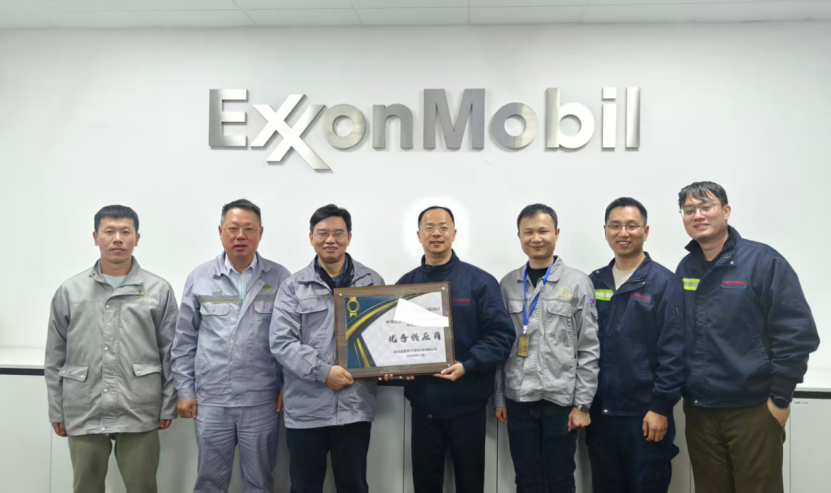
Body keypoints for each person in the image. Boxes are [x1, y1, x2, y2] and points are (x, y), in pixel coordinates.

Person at [676, 181, 819, 492]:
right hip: (700, 411)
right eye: (689, 210)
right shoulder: (686, 268)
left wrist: (779, 398)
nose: (697, 215)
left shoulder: (763, 262)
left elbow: (796, 333)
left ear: (726, 211)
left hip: (753, 409)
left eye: (706, 207)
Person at [45, 205, 178, 493]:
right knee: (86, 487)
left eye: (125, 232)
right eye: (109, 231)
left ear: (136, 238)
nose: (117, 239)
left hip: (139, 406)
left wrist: (168, 403)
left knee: (143, 487)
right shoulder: (70, 291)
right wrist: (57, 409)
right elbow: (55, 356)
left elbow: (170, 352)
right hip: (85, 405)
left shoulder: (158, 290)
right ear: (96, 237)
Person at [171, 199, 290, 492]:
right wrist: (185, 390)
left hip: (261, 399)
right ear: (220, 231)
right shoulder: (200, 277)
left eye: (249, 229)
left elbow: (290, 339)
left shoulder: (279, 277)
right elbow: (184, 339)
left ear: (260, 233)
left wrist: (287, 386)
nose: (240, 236)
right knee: (209, 481)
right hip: (211, 399)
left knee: (260, 481)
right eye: (233, 228)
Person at [397, 205, 515, 493]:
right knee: (425, 486)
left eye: (443, 227)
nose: (436, 233)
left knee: (470, 486)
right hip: (423, 408)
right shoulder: (405, 284)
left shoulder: (479, 281)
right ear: (419, 235)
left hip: (468, 408)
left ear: (454, 233)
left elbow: (501, 335)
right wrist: (396, 369)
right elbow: (393, 339)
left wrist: (468, 364)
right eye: (429, 227)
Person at [270, 204, 384, 493]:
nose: (330, 240)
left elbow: (383, 337)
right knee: (305, 487)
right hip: (306, 410)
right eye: (322, 233)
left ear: (349, 237)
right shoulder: (293, 286)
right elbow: (282, 342)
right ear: (311, 238)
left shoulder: (372, 282)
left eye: (338, 233)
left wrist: (390, 364)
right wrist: (323, 372)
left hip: (354, 407)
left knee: (353, 486)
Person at [493, 203, 600, 493]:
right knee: (526, 481)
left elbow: (589, 347)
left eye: (543, 231)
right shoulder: (508, 284)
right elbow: (501, 346)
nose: (536, 238)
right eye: (528, 232)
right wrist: (500, 398)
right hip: (518, 399)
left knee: (560, 480)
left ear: (557, 233)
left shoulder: (578, 283)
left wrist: (582, 404)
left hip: (560, 401)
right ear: (519, 236)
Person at [586, 197, 684, 493]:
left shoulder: (664, 283)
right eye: (615, 226)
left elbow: (674, 351)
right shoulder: (594, 282)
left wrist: (660, 407)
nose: (623, 233)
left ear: (646, 231)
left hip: (644, 415)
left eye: (631, 226)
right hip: (599, 416)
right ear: (605, 231)